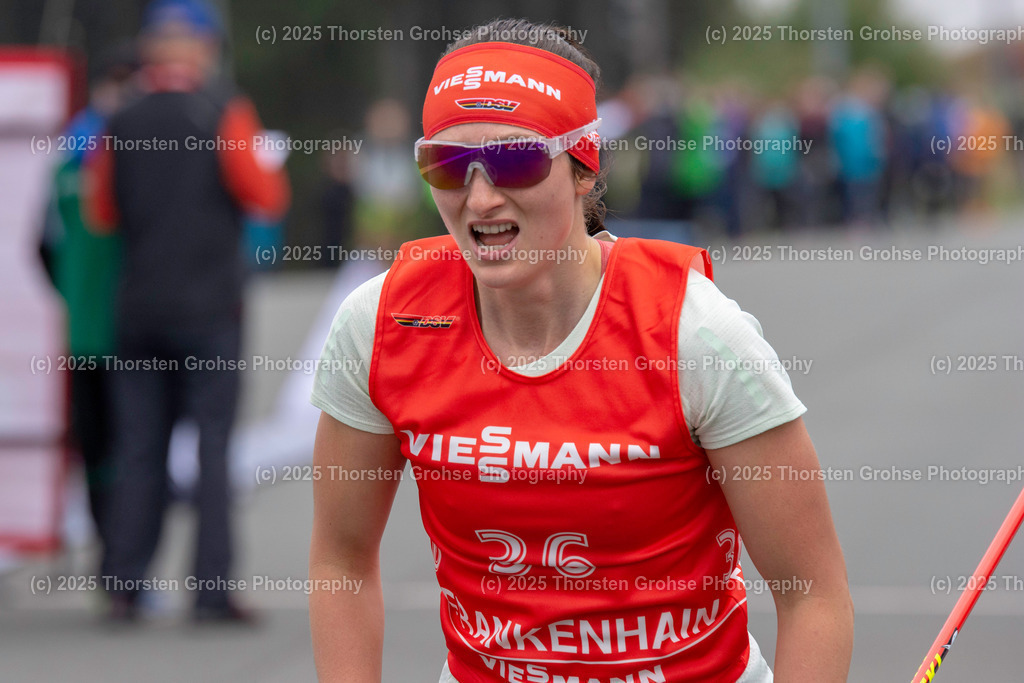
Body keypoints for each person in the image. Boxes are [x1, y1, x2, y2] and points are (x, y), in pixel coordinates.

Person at [309, 18, 853, 682]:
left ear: (583, 162)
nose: (480, 197)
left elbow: (811, 592)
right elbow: (340, 560)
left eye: (514, 159)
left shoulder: (697, 333)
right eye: (448, 165)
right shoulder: (382, 324)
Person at [86, 0, 290, 621]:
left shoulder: (118, 119)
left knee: (140, 447)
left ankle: (123, 585)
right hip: (210, 310)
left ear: (151, 50)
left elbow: (101, 214)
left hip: (138, 308)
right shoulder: (223, 109)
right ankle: (210, 590)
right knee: (212, 447)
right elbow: (265, 195)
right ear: (204, 49)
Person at [39, 43, 137, 555]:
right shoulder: (126, 153)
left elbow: (43, 245)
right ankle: (119, 565)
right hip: (125, 328)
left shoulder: (68, 150)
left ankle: (115, 563)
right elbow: (45, 243)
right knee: (118, 449)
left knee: (102, 449)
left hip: (94, 329)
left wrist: (74, 298)